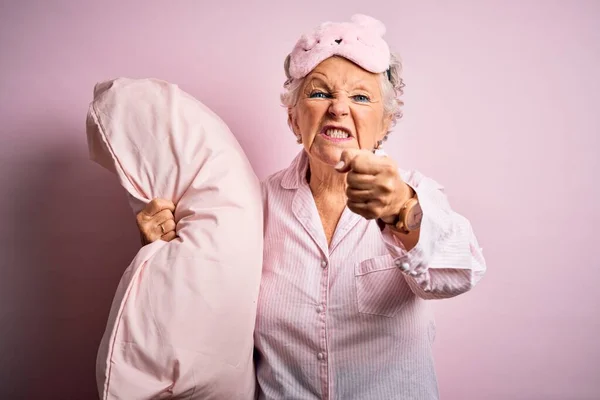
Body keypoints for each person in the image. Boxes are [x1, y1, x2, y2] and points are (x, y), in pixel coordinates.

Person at [137, 14, 486, 400]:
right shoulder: (252, 205)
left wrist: (402, 210)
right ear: (293, 118)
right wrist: (166, 255)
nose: (338, 108)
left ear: (385, 124)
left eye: (360, 97)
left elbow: (459, 272)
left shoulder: (417, 192)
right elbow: (203, 310)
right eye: (320, 93)